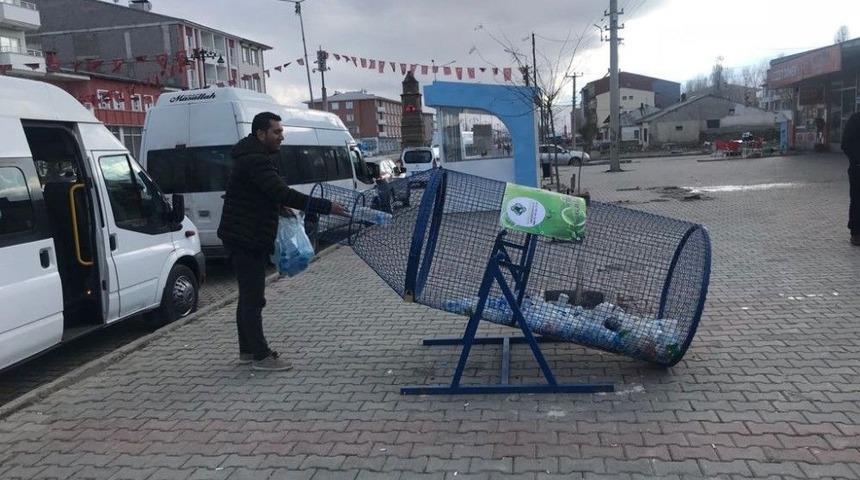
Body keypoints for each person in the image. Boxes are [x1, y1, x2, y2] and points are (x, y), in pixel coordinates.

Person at [218, 111, 347, 371]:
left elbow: (259, 193)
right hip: (245, 237)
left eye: (281, 131)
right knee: (253, 298)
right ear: (261, 134)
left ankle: (247, 351)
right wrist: (325, 206)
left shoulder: (253, 157)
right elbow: (282, 192)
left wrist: (277, 207)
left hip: (242, 234)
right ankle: (261, 356)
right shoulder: (255, 160)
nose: (281, 136)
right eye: (276, 132)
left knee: (247, 297)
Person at [841, 112, 860, 246]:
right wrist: (857, 160)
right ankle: (856, 233)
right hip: (858, 169)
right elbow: (845, 144)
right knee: (857, 200)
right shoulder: (855, 120)